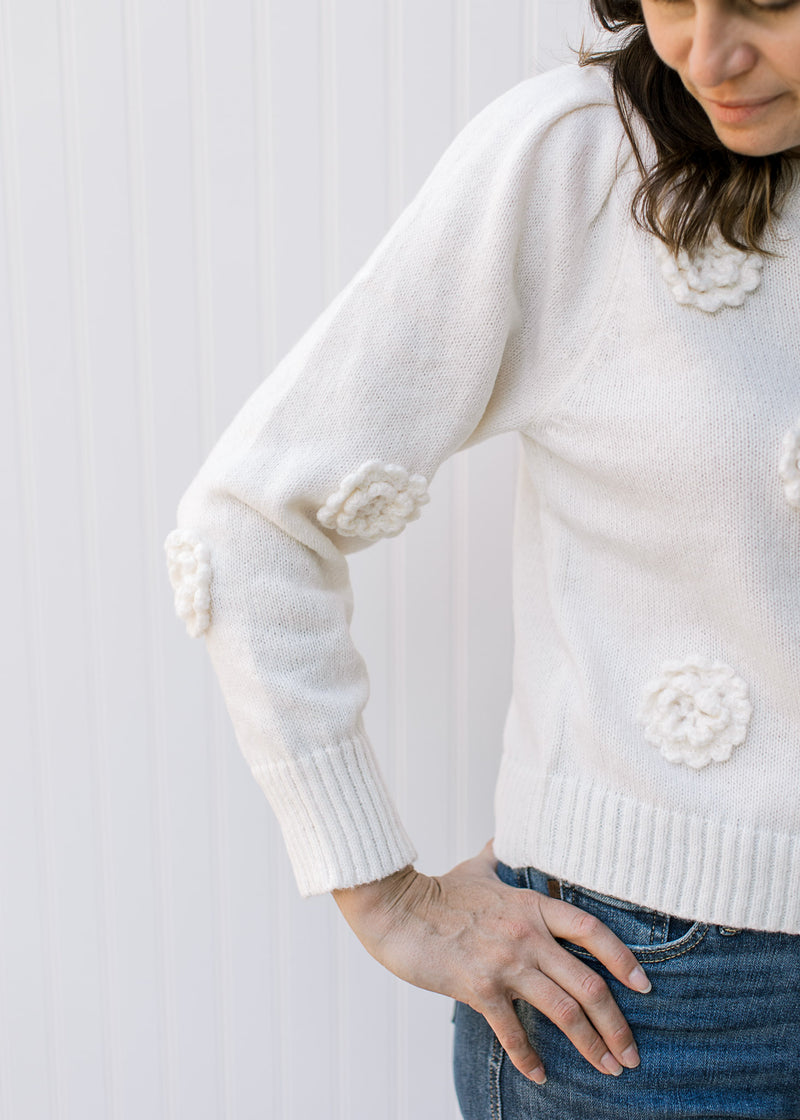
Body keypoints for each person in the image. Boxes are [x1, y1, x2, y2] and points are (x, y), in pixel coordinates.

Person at [164, 1, 800, 1116]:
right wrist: (385, 893)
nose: (705, 53)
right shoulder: (578, 165)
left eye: (766, 0)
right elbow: (248, 521)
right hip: (658, 1000)